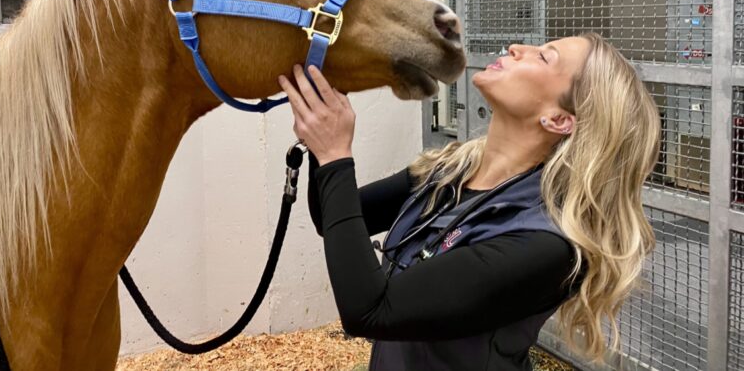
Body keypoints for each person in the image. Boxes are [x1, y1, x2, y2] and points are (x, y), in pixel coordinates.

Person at [278, 32, 660, 371]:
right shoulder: (447, 171)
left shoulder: (545, 245)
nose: (517, 47)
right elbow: (331, 217)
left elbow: (370, 310)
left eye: (544, 56)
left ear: (558, 119)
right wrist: (319, 136)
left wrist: (334, 154)